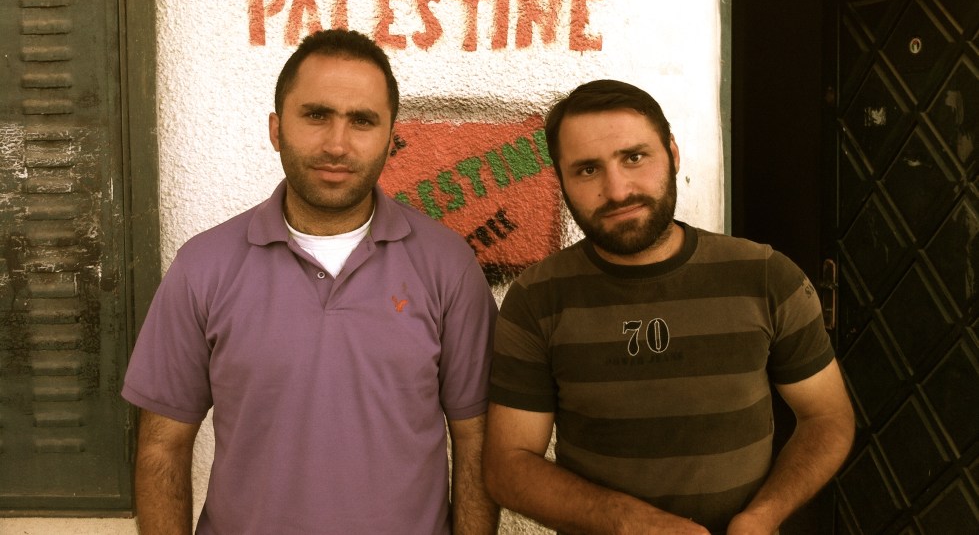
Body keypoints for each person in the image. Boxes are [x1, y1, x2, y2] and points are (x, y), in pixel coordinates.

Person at [123, 29, 500, 535]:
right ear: (277, 129)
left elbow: (476, 442)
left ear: (392, 138)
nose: (337, 145)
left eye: (362, 121)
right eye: (316, 115)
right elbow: (162, 448)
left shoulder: (448, 266)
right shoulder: (204, 266)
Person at [482, 79, 854, 535]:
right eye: (586, 170)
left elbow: (827, 417)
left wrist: (764, 516)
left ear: (672, 155)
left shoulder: (764, 275)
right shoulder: (537, 299)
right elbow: (507, 465)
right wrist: (631, 523)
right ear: (561, 181)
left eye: (634, 158)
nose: (617, 191)